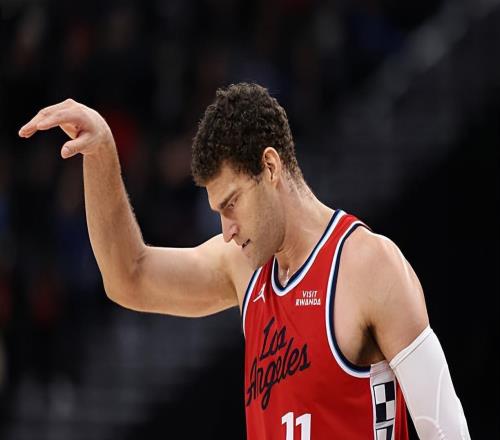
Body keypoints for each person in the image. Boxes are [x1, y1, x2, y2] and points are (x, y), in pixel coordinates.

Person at [19, 83, 469, 439]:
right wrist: (101, 154)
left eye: (231, 203)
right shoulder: (244, 268)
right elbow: (129, 278)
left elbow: (445, 429)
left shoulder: (368, 265)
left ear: (270, 167)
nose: (226, 230)